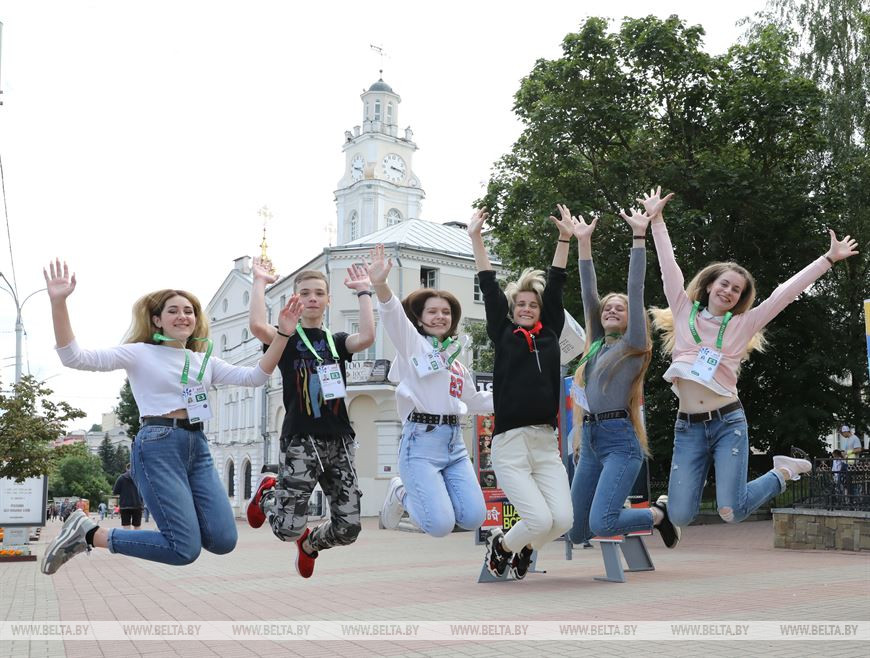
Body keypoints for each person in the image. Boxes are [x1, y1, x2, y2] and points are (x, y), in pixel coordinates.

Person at [40, 259, 300, 575]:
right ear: (157, 320)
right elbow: (75, 357)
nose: (183, 316)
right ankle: (90, 534)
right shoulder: (140, 352)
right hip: (158, 443)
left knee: (224, 539)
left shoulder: (203, 360)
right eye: (173, 310)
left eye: (189, 311)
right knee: (183, 549)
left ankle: (157, 529)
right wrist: (58, 302)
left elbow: (256, 376)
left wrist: (283, 335)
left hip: (198, 445)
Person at [645, 187, 859, 527]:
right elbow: (668, 268)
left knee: (731, 511)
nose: (729, 291)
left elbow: (783, 294)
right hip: (687, 428)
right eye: (724, 284)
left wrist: (828, 259)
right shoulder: (683, 310)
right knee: (681, 516)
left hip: (727, 422)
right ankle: (675, 500)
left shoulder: (744, 324)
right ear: (710, 284)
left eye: (737, 290)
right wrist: (656, 220)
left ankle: (781, 472)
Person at [246, 258, 375, 579]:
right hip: (301, 441)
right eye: (305, 293)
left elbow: (367, 337)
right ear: (296, 299)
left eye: (319, 293)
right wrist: (259, 282)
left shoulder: (336, 341)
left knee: (349, 528)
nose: (312, 298)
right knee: (286, 529)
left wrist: (364, 292)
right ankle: (267, 494)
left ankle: (310, 544)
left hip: (340, 441)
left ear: (329, 299)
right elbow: (257, 326)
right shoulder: (286, 338)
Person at [469, 206, 574, 580]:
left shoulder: (551, 333)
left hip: (545, 443)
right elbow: (488, 284)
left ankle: (514, 545)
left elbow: (557, 282)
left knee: (562, 520)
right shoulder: (503, 333)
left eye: (533, 304)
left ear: (541, 310)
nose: (527, 308)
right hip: (511, 443)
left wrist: (565, 238)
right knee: (539, 519)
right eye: (521, 305)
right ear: (513, 310)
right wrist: (476, 237)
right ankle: (504, 546)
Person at [568, 204, 681, 549]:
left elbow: (636, 289)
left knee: (602, 522)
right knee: (577, 531)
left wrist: (638, 236)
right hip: (591, 440)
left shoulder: (633, 346)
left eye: (620, 308)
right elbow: (589, 293)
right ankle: (639, 512)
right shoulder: (594, 346)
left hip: (620, 441)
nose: (611, 310)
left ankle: (659, 514)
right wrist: (583, 243)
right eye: (607, 308)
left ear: (632, 318)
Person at [367, 244, 492, 537]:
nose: (440, 317)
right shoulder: (413, 345)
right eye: (432, 312)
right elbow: (393, 315)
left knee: (474, 517)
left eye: (446, 312)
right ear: (419, 318)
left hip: (454, 444)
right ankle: (399, 491)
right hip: (420, 442)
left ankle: (432, 497)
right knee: (439, 526)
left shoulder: (456, 363)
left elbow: (474, 400)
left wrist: (520, 398)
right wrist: (381, 285)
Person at [113, 465, 144, 529]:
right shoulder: (140, 478)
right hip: (137, 505)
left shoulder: (121, 478)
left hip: (124, 506)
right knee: (137, 526)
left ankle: (127, 535)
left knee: (126, 526)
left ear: (127, 469)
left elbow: (115, 492)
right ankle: (137, 536)